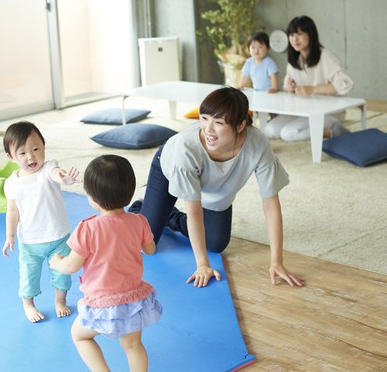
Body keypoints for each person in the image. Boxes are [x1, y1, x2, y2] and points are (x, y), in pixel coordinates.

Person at [129, 87, 304, 289]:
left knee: (216, 243)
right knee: (147, 244)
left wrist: (277, 261)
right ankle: (142, 209)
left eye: (219, 123)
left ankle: (169, 215)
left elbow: (271, 205)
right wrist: (202, 264)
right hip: (168, 168)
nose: (208, 129)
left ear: (240, 125)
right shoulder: (186, 148)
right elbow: (194, 211)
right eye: (204, 118)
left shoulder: (257, 144)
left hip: (214, 189)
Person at [50, 154, 161, 372]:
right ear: (130, 192)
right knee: (133, 345)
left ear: (92, 198)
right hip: (132, 300)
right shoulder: (139, 221)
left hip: (102, 304)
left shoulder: (88, 229)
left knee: (80, 337)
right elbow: (150, 250)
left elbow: (71, 266)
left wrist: (57, 263)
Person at [1, 121, 80, 323]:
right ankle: (29, 305)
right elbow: (12, 210)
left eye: (36, 149)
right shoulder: (12, 183)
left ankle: (60, 301)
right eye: (22, 153)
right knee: (29, 275)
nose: (31, 156)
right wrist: (10, 236)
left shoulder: (48, 168)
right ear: (11, 157)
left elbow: (57, 174)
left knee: (62, 274)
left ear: (44, 146)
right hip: (30, 241)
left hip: (58, 236)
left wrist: (65, 179)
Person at [264, 15, 354, 141]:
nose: (295, 39)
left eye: (299, 34)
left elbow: (346, 83)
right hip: (302, 111)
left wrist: (312, 89)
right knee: (269, 130)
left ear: (311, 35)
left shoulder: (325, 56)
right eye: (291, 35)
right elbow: (288, 86)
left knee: (288, 134)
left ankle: (333, 132)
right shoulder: (294, 61)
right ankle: (315, 129)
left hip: (328, 112)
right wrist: (289, 87)